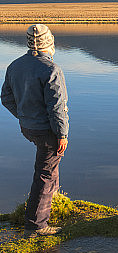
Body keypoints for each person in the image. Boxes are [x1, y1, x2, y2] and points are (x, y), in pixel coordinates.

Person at [1, 24, 69, 237]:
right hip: (47, 130)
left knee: (48, 164)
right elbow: (57, 107)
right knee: (45, 174)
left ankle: (53, 200)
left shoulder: (15, 65)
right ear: (49, 42)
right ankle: (35, 226)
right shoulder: (51, 69)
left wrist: (24, 116)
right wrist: (62, 134)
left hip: (28, 127)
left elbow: (6, 98)